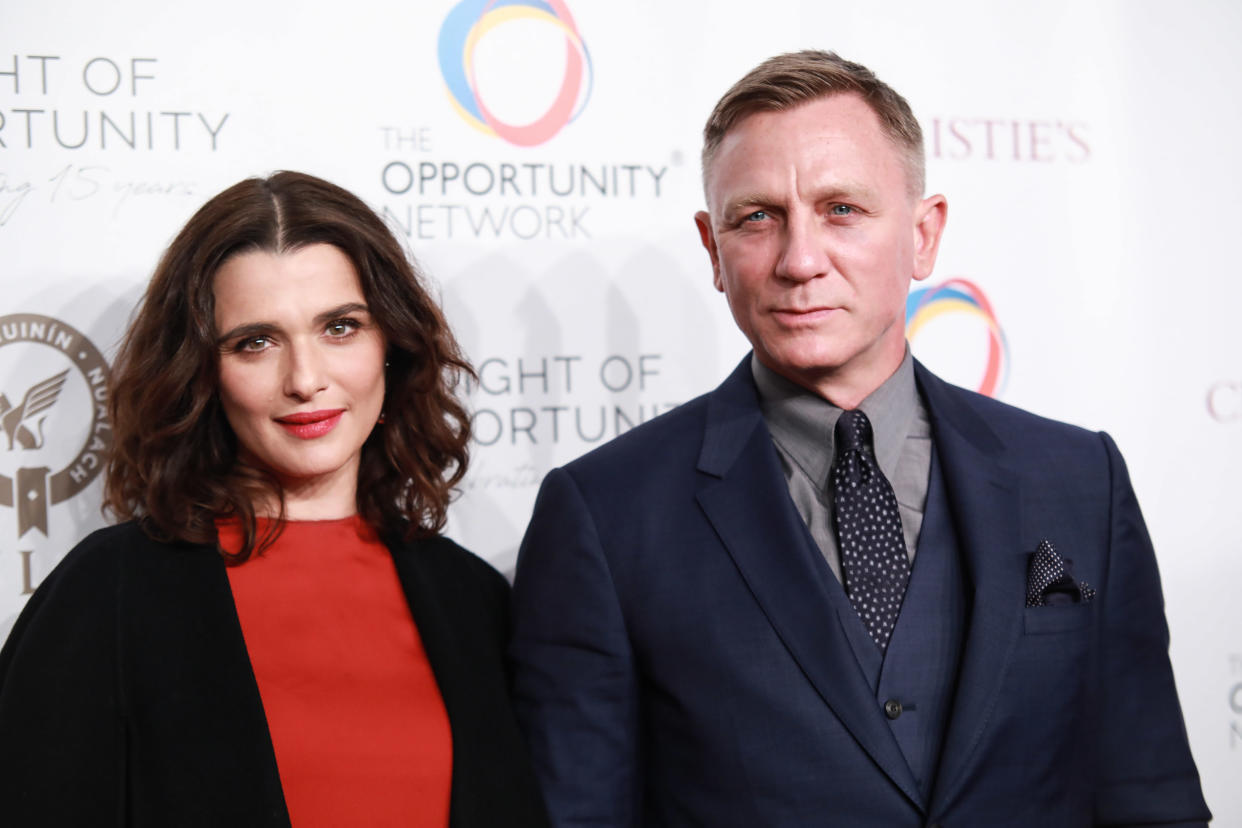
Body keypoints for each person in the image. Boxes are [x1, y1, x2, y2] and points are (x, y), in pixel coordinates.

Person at [509, 51, 1210, 826]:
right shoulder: (605, 515)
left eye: (841, 209)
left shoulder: (1080, 478)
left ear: (923, 235)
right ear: (713, 248)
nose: (800, 260)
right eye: (758, 217)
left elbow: (1151, 798)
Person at [0, 171, 548, 827]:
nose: (306, 379)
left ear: (391, 347)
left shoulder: (472, 599)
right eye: (255, 341)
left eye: (340, 327)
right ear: (203, 371)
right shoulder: (109, 593)